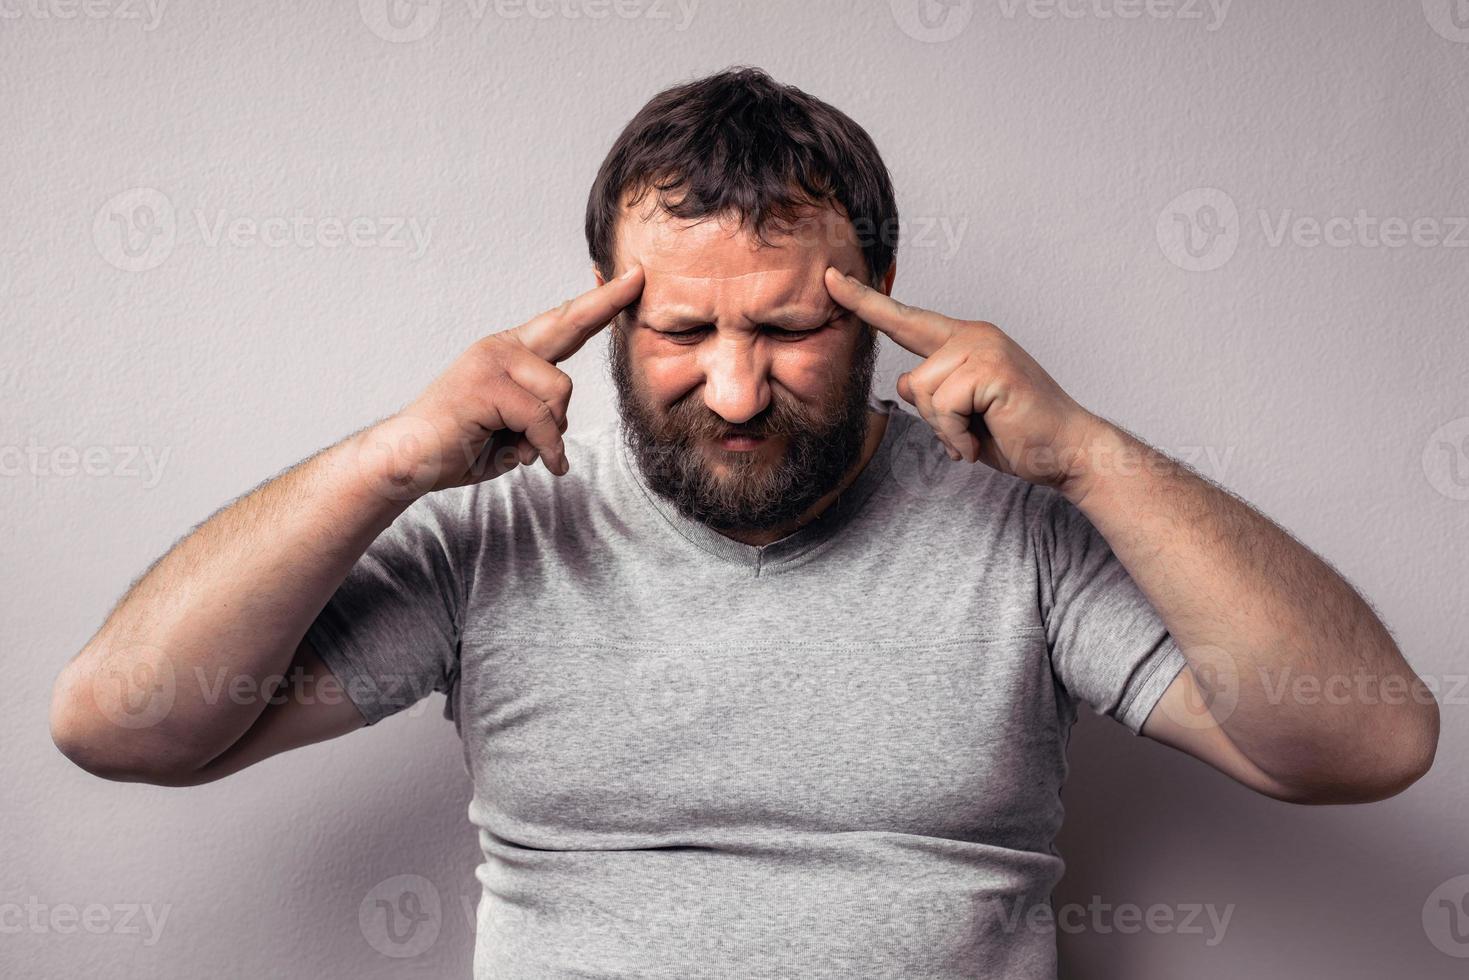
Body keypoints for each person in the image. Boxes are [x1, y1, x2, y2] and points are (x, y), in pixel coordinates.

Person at [49, 67, 1439, 978]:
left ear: (877, 296)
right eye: (677, 326)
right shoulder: (500, 532)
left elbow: (1363, 746)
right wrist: (388, 465)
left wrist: (1083, 455)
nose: (731, 387)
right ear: (602, 302)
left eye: (785, 326)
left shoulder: (1018, 528)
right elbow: (121, 727)